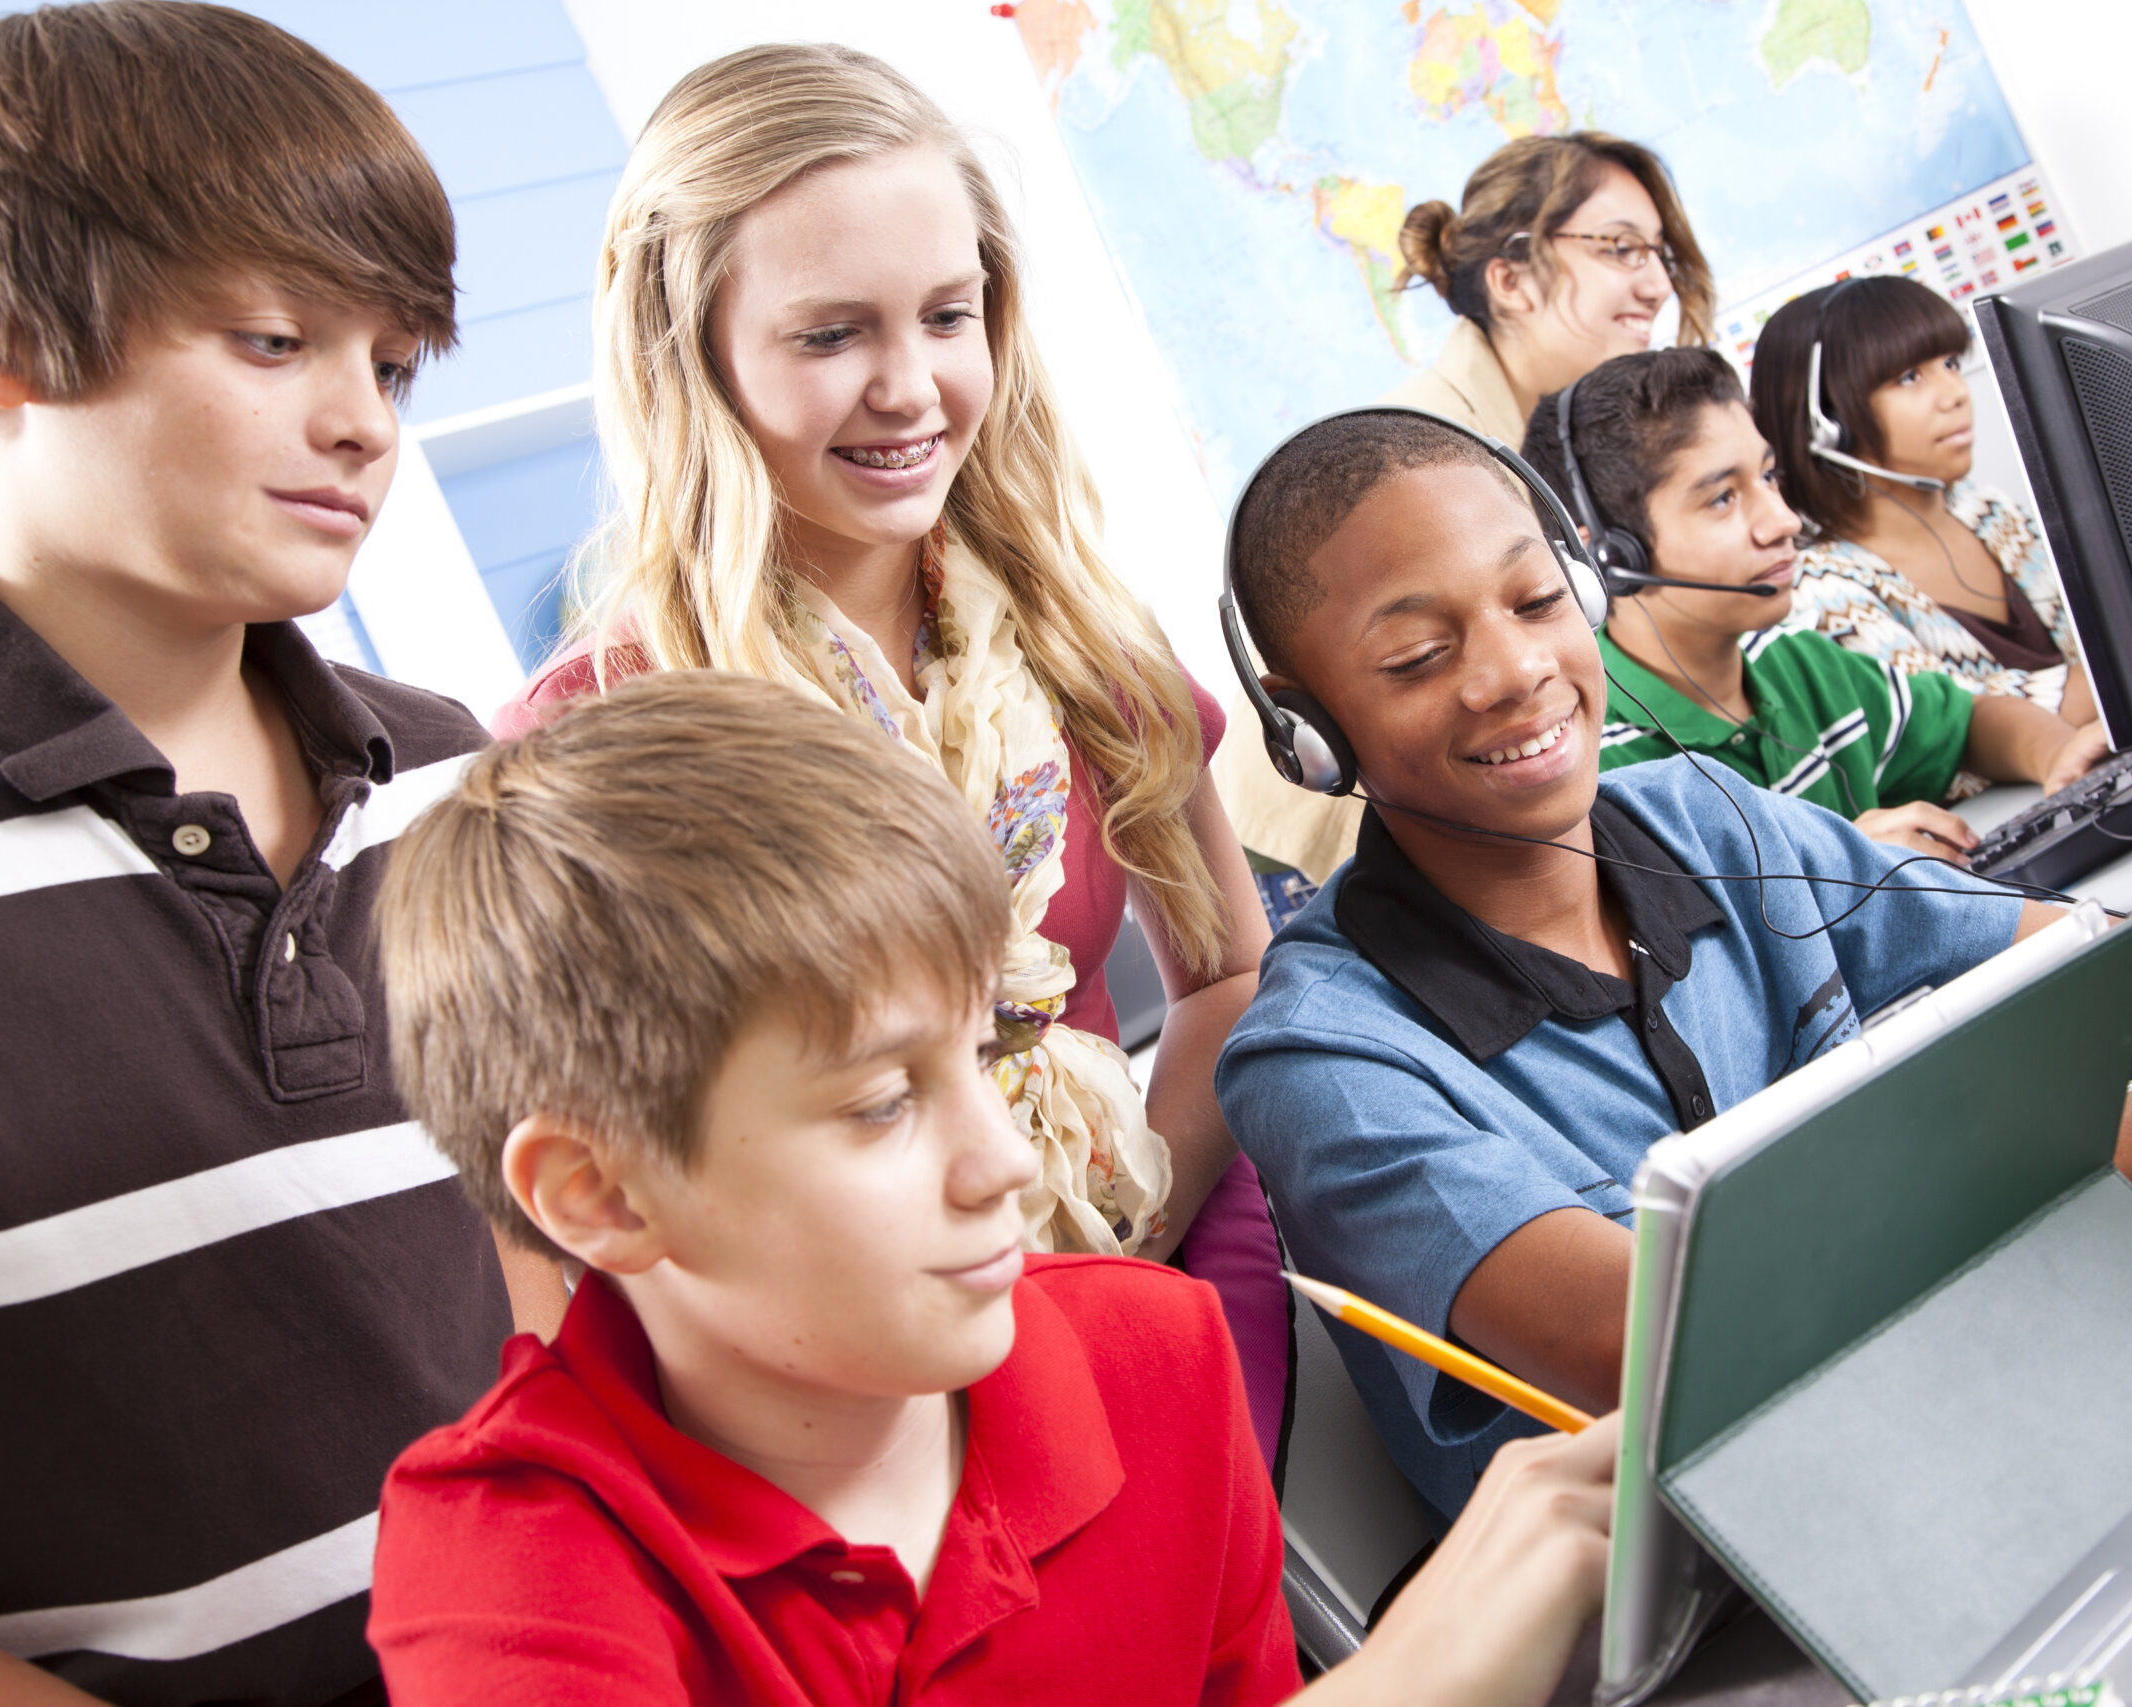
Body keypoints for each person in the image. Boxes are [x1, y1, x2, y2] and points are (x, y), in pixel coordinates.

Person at [1213, 409, 2132, 1515]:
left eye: (1534, 598)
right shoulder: (1326, 1056)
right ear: (1310, 732)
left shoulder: (1701, 819)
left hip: (1965, 1400)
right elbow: (1667, 1335)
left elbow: (2079, 968)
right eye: (1418, 655)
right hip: (1725, 1600)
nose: (1513, 670)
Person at [366, 671, 1619, 1707]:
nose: (1008, 1167)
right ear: (596, 1193)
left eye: (982, 1058)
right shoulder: (505, 1570)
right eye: (878, 1104)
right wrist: (1409, 1681)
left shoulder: (1156, 1350)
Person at [499, 45, 1291, 1457]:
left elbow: (1231, 975)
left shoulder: (1076, 628)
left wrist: (1126, 1242)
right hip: (852, 1410)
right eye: (830, 334)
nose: (912, 384)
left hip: (1160, 1281)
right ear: (696, 357)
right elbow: (602, 1226)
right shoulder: (598, 743)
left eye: (947, 313)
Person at [0, 7, 565, 1704]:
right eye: (275, 340)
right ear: (1, 342)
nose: (367, 423)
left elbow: (537, 1265)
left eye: (389, 364)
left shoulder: (445, 771)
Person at [1219, 132, 1717, 893]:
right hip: (1323, 861)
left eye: (1658, 254)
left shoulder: (1524, 448)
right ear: (1512, 280)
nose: (1655, 284)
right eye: (1620, 249)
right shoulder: (1423, 460)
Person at [1521, 348, 2108, 864]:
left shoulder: (1798, 664)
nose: (1785, 521)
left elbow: (1972, 723)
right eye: (1723, 498)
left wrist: (2056, 753)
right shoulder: (1596, 767)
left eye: (1769, 477)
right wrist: (1849, 865)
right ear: (1604, 557)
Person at [1750, 275, 2099, 728]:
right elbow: (1957, 728)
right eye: (1910, 377)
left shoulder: (1989, 512)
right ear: (1825, 423)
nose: (1955, 393)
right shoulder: (1822, 591)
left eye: (1951, 363)